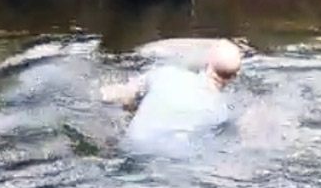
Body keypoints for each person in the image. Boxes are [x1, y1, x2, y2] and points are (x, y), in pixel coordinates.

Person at [101, 38, 242, 156]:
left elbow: (114, 95)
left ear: (207, 63)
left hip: (132, 147)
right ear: (235, 76)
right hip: (176, 162)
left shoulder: (165, 74)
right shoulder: (225, 109)